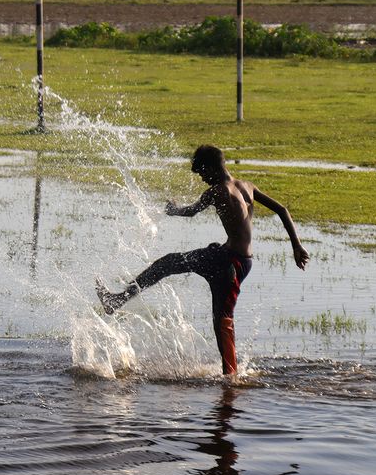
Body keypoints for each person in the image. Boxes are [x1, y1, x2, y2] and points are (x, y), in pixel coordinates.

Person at [96, 144, 309, 377]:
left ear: (211, 168)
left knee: (219, 316)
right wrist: (296, 246)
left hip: (228, 264)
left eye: (202, 173)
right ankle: (230, 374)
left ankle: (231, 378)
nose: (202, 179)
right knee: (177, 273)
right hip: (235, 260)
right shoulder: (246, 186)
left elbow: (191, 212)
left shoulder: (217, 191)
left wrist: (173, 209)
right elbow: (282, 210)